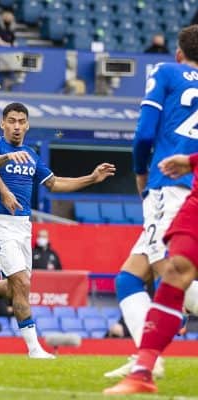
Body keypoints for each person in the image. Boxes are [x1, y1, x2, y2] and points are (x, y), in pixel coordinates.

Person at [0, 102, 115, 359]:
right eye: (11, 121)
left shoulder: (32, 156)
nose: (16, 126)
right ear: (3, 124)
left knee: (15, 288)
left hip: (23, 227)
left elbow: (55, 183)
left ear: (28, 125)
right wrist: (7, 159)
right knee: (22, 283)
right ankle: (34, 350)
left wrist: (91, 178)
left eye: (21, 121)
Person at [104, 25, 198, 380]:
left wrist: (140, 173)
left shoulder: (167, 72)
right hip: (193, 182)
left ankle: (149, 357)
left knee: (172, 273)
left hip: (170, 185)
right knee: (129, 278)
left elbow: (144, 133)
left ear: (179, 53)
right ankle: (148, 355)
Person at [104, 152, 198, 394]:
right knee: (146, 277)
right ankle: (144, 367)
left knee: (171, 274)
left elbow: (143, 139)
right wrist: (192, 161)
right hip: (178, 190)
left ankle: (146, 365)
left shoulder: (158, 113)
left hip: (169, 191)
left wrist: (142, 173)